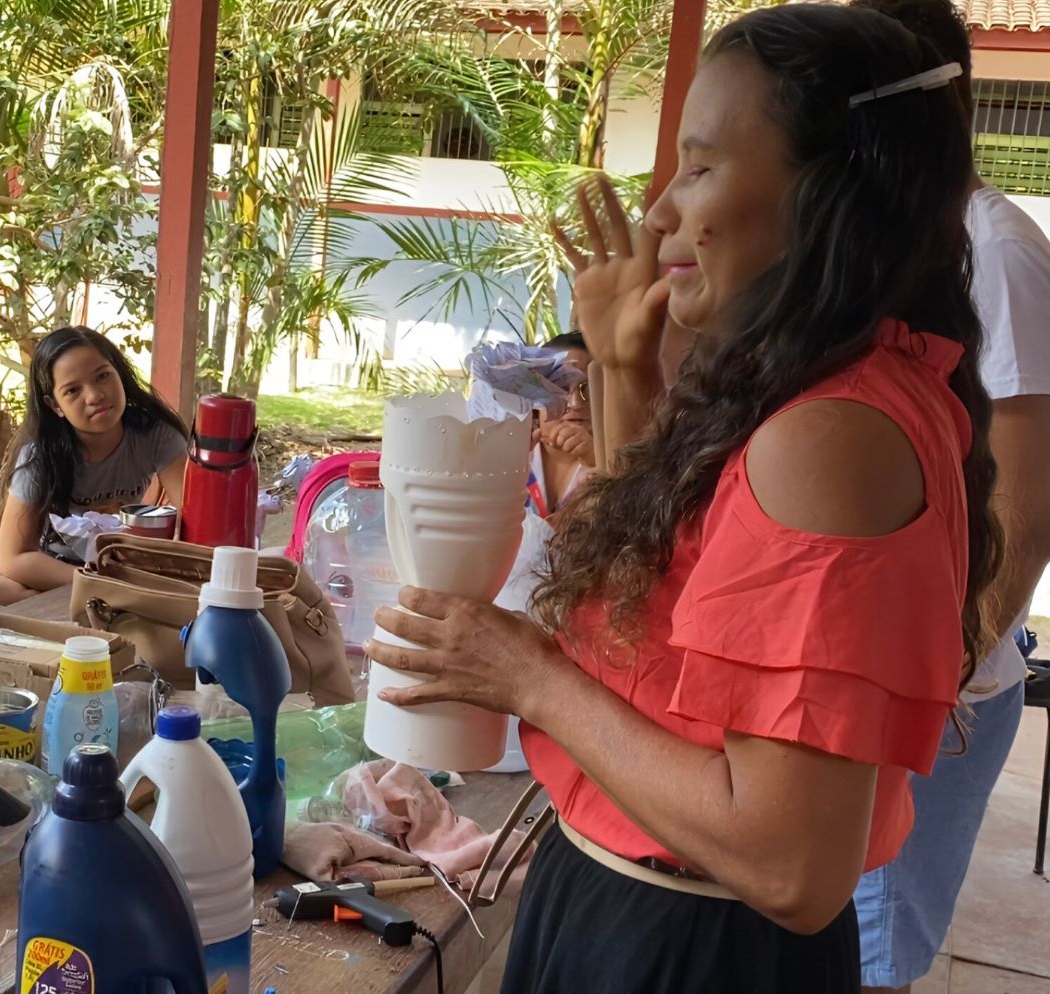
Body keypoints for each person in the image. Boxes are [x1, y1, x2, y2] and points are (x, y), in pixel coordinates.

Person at [363, 6, 1003, 990]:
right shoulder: (813, 389)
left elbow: (790, 863)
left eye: (699, 168)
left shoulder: (832, 439)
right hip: (630, 900)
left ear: (827, 197)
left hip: (693, 945)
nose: (660, 212)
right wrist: (623, 364)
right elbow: (646, 605)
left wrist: (528, 676)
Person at [849, 1, 1050, 990]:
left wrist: (925, 691)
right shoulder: (889, 246)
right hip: (867, 684)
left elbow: (1024, 522)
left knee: (869, 956)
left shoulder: (998, 254)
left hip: (933, 698)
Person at [0, 326, 188, 601]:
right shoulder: (40, 456)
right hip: (54, 567)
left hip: (121, 565)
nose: (94, 396)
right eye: (72, 390)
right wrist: (95, 580)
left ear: (119, 373)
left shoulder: (156, 435)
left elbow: (195, 519)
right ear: (54, 405)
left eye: (102, 376)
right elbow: (13, 558)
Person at [527, 333, 594, 519]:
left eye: (587, 388)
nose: (575, 403)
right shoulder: (514, 458)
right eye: (559, 388)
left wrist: (601, 466)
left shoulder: (617, 464)